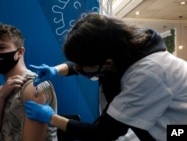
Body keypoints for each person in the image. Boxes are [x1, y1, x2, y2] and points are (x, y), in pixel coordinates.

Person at [24, 13, 187, 141]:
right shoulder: (122, 50)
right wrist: (55, 70)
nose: (78, 68)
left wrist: (50, 117)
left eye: (82, 65)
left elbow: (103, 132)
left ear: (107, 63)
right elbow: (78, 66)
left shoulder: (149, 74)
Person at [0, 23, 58, 141]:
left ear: (20, 52)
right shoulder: (2, 90)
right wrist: (0, 97)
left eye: (2, 48)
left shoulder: (34, 85)